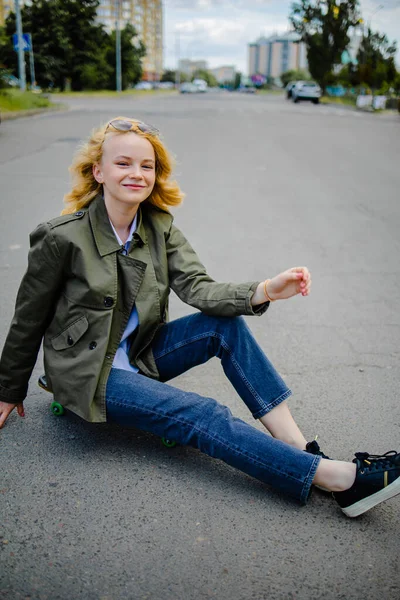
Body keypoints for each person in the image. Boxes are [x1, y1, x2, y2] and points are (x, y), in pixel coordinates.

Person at [0, 116, 398, 518]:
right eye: (123, 163)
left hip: (139, 355)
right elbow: (28, 318)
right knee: (201, 413)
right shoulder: (61, 236)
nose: (137, 173)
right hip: (89, 373)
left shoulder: (159, 228)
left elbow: (199, 288)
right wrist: (8, 388)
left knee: (223, 326)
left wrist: (264, 290)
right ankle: (337, 479)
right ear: (98, 171)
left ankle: (297, 449)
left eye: (147, 165)